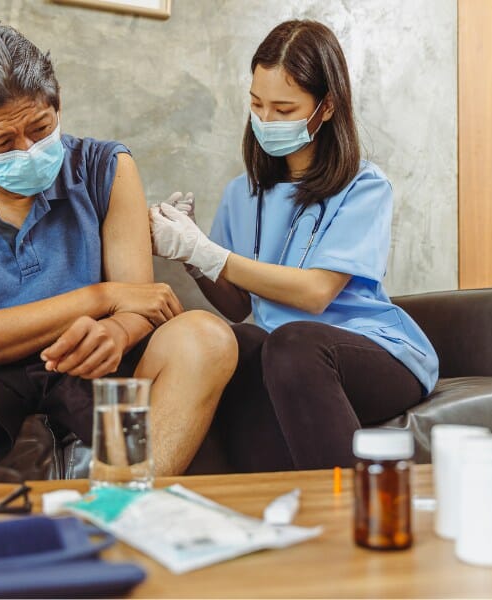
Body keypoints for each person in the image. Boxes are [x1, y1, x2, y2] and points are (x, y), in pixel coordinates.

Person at [0, 20, 237, 478]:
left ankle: (130, 507)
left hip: (93, 369)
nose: (30, 150)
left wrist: (116, 333)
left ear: (58, 104)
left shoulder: (106, 166)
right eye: (3, 143)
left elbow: (137, 303)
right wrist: (97, 299)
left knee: (206, 337)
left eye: (41, 127)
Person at [150, 19, 439, 471]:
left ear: (325, 107)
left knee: (292, 342)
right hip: (282, 356)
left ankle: (349, 517)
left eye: (284, 110)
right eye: (257, 104)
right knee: (232, 342)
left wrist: (211, 254)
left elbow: (315, 293)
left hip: (370, 351)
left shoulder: (364, 186)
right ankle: (246, 508)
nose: (266, 120)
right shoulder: (240, 193)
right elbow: (237, 304)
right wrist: (192, 255)